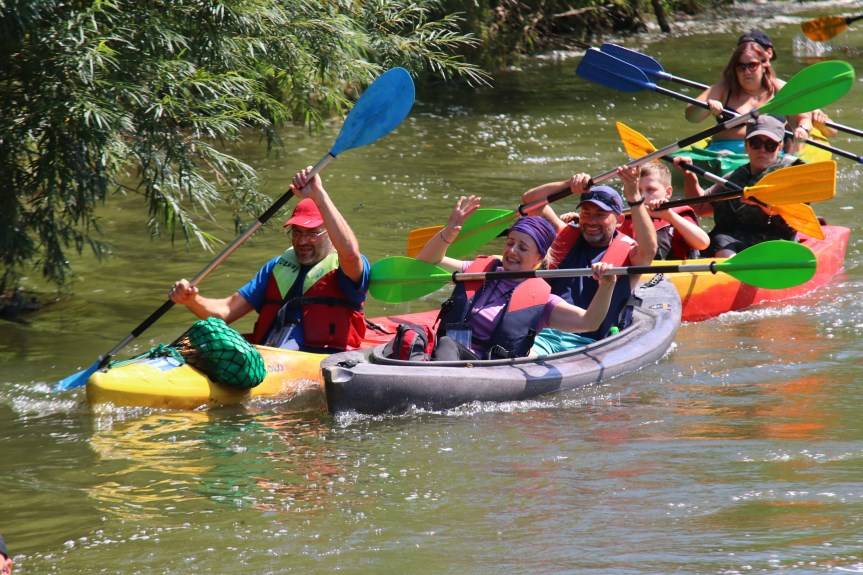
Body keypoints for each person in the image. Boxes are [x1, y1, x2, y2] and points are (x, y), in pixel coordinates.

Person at [170, 167, 371, 353]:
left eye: (312, 233)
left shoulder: (346, 267)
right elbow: (225, 312)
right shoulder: (276, 267)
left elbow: (350, 253)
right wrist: (191, 300)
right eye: (297, 232)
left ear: (329, 233)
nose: (302, 240)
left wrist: (319, 195)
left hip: (319, 360)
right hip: (271, 357)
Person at [415, 195, 616, 360]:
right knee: (414, 336)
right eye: (510, 242)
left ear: (538, 258)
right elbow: (428, 261)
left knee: (447, 344)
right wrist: (450, 230)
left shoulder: (542, 302)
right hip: (446, 353)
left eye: (522, 247)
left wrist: (606, 285)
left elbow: (589, 322)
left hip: (483, 368)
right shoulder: (482, 271)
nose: (512, 251)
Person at [520, 167, 658, 353]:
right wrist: (568, 185)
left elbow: (650, 249)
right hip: (540, 332)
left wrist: (634, 197)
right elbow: (530, 201)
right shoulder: (564, 236)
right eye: (586, 213)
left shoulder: (630, 253)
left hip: (586, 344)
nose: (591, 221)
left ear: (618, 220)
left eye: (600, 215)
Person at [680, 114, 800, 257]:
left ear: (779, 146)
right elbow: (700, 208)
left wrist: (764, 206)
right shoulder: (734, 177)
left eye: (770, 145)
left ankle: (733, 269)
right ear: (746, 145)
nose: (762, 149)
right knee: (721, 241)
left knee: (724, 244)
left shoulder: (790, 177)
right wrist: (689, 175)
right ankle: (728, 270)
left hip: (773, 242)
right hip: (732, 241)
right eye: (756, 142)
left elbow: (797, 219)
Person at [684, 40, 814, 154]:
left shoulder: (779, 88)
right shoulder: (724, 88)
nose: (746, 72)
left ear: (764, 66)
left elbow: (804, 117)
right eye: (741, 67)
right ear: (735, 69)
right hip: (727, 154)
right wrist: (707, 106)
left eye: (752, 65)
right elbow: (691, 116)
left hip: (768, 152)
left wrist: (802, 128)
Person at [618, 161, 709, 259]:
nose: (643, 196)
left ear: (668, 193)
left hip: (672, 272)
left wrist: (669, 215)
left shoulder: (677, 215)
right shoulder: (625, 218)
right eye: (638, 191)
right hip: (638, 271)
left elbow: (703, 243)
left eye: (650, 189)